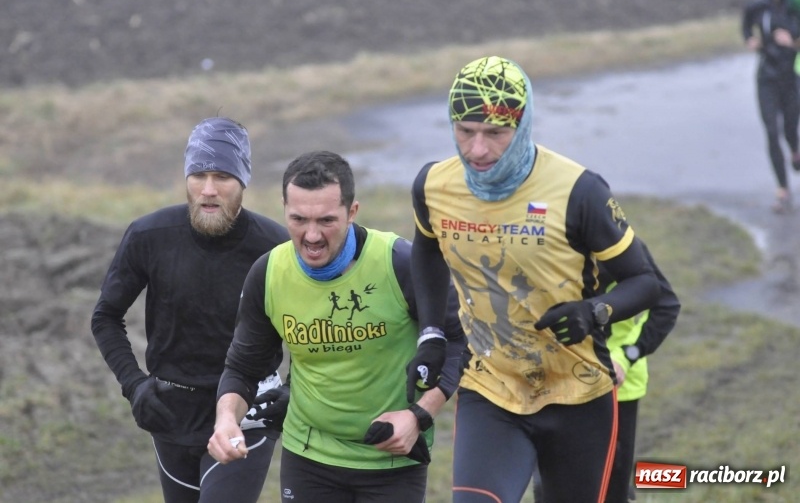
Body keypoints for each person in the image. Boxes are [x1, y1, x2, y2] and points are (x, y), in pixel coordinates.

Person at [407, 55, 662, 502]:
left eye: (495, 134)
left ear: (522, 127)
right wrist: (431, 332)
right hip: (491, 388)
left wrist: (594, 310)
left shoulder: (579, 191)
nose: (477, 150)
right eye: (465, 132)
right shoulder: (433, 186)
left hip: (579, 396)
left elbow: (646, 282)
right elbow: (427, 248)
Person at [207, 150, 466, 503]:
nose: (311, 236)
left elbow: (457, 339)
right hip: (309, 456)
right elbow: (243, 366)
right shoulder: (269, 274)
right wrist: (226, 419)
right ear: (284, 208)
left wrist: (420, 415)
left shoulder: (399, 263)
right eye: (298, 219)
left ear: (352, 212)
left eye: (326, 220)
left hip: (390, 459)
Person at [91, 117, 290, 503]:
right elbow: (105, 316)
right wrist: (134, 385)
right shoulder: (149, 236)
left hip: (248, 411)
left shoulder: (275, 247)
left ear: (243, 182)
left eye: (223, 177)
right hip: (172, 413)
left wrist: (292, 390)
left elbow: (311, 323)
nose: (209, 190)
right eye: (199, 175)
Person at [530, 246, 681, 503]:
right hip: (553, 386)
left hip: (616, 390)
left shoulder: (621, 245)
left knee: (611, 488)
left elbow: (666, 307)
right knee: (547, 489)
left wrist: (625, 356)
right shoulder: (540, 241)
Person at [742, 0, 800, 214]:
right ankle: (782, 189)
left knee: (789, 126)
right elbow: (745, 26)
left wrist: (793, 43)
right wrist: (750, 40)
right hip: (766, 76)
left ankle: (795, 151)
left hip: (791, 75)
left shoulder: (795, 6)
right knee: (771, 131)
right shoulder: (757, 6)